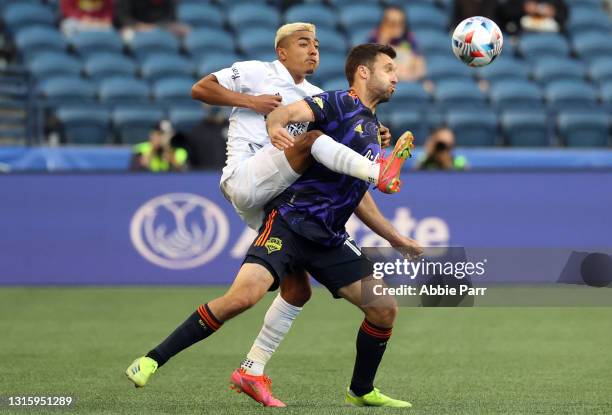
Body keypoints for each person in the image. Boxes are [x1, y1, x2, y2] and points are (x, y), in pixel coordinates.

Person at [125, 43, 422, 408]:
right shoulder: (336, 103)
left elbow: (358, 197)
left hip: (329, 237)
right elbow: (285, 114)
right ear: (363, 72)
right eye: (389, 69)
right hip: (291, 223)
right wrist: (277, 125)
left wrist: (396, 238)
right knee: (243, 297)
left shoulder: (372, 131)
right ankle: (152, 359)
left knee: (383, 308)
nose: (396, 77)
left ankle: (358, 390)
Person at [368, 6, 425, 82]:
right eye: (392, 23)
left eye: (400, 22)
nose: (396, 27)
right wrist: (384, 40)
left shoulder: (409, 38)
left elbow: (420, 67)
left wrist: (410, 76)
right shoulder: (375, 38)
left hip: (409, 79)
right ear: (383, 23)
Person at [115, 0, 189, 39]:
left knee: (184, 30)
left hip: (161, 28)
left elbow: (171, 16)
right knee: (128, 34)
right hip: (135, 29)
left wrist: (156, 27)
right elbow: (124, 18)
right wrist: (142, 27)